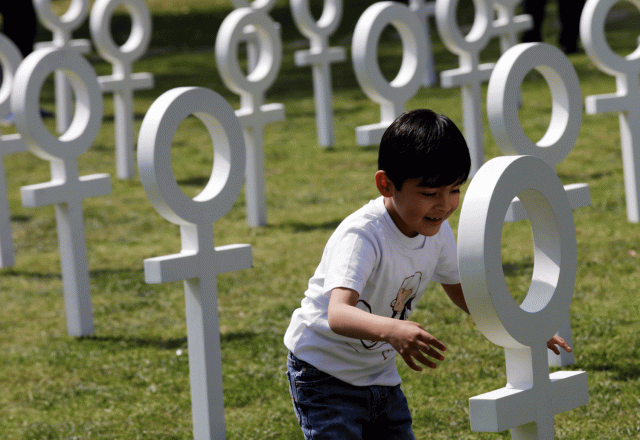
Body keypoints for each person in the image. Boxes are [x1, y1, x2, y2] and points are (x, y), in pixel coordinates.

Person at [283, 109, 572, 439]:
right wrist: (394, 329)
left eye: (454, 190)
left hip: (379, 376)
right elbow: (338, 313)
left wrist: (520, 327)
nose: (444, 205)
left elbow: (465, 290)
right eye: (429, 194)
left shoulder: (438, 232)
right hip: (323, 373)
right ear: (386, 185)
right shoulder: (362, 236)